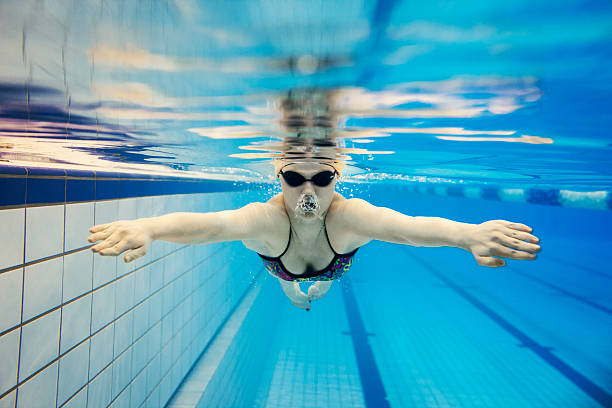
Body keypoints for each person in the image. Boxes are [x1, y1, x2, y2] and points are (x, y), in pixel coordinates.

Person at [88, 158, 541, 311]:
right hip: (279, 261)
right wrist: (150, 227)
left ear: (337, 178)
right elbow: (215, 226)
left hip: (334, 261)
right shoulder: (266, 220)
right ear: (278, 177)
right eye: (293, 178)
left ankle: (316, 286)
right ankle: (294, 290)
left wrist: (468, 236)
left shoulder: (349, 216)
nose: (307, 191)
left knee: (326, 281)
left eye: (322, 179)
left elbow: (406, 229)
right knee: (285, 281)